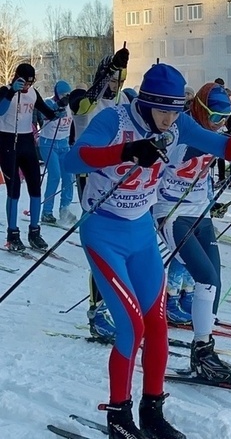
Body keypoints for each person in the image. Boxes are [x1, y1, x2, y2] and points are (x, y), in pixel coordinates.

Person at [64, 62, 231, 439]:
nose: (168, 120)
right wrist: (126, 151)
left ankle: (153, 412)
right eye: (162, 110)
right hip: (104, 234)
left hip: (141, 233)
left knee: (157, 324)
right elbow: (72, 159)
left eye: (175, 111)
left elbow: (225, 147)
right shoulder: (115, 120)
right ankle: (118, 419)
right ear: (145, 103)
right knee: (131, 326)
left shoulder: (178, 124)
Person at [154, 81, 231, 383]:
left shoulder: (213, 134)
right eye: (216, 118)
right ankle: (202, 350)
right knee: (204, 278)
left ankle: (204, 347)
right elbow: (193, 149)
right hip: (171, 213)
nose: (220, 125)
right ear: (199, 109)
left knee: (215, 279)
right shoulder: (180, 132)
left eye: (225, 119)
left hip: (200, 212)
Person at [69, 47, 133, 342]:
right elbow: (81, 106)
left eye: (119, 81)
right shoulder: (84, 100)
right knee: (101, 246)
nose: (115, 86)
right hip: (90, 178)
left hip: (118, 180)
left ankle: (116, 302)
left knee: (123, 245)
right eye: (112, 80)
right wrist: (102, 78)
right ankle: (98, 311)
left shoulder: (120, 104)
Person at [0, 63, 65, 251]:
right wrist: (12, 91)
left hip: (27, 142)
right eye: (25, 82)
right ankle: (12, 234)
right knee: (14, 190)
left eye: (31, 82)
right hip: (7, 142)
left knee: (35, 186)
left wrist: (56, 112)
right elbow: (1, 110)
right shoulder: (4, 90)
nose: (27, 86)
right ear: (17, 77)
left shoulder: (32, 93)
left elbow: (46, 111)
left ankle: (34, 231)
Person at [38, 80, 77, 226]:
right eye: (62, 94)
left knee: (68, 176)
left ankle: (64, 209)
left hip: (64, 143)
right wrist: (55, 110)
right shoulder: (49, 102)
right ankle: (47, 212)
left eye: (67, 94)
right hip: (48, 143)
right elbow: (44, 115)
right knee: (55, 175)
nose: (65, 97)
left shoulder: (71, 106)